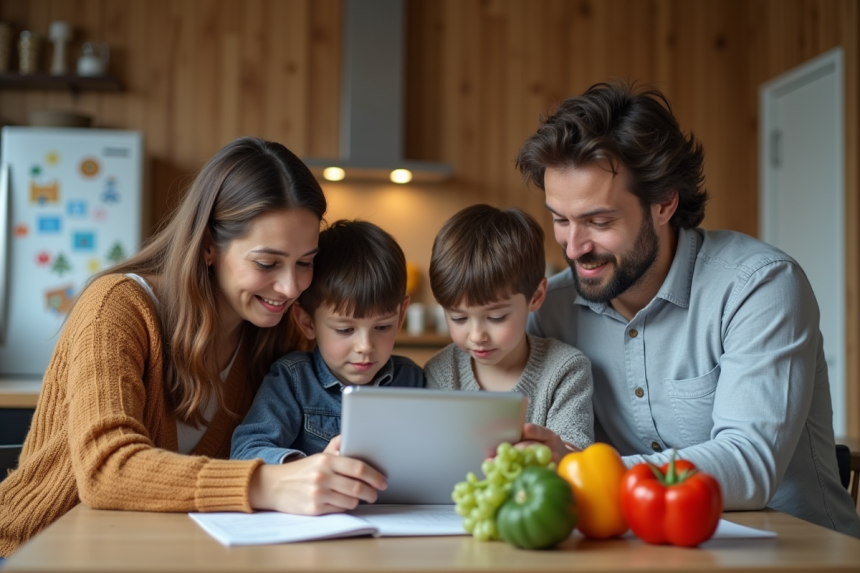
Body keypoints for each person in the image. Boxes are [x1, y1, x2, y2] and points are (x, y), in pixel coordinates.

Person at [0, 138, 389, 558]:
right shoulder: (116, 307)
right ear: (208, 246)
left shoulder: (276, 335)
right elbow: (106, 470)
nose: (291, 287)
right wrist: (268, 483)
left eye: (305, 262)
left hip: (155, 553)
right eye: (266, 263)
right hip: (37, 549)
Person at [515, 80, 860, 537]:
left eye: (599, 221)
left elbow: (749, 463)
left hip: (797, 550)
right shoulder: (550, 307)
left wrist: (582, 471)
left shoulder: (760, 286)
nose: (574, 247)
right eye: (560, 219)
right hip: (647, 551)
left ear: (664, 204)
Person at [230, 220, 424, 464]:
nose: (365, 346)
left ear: (401, 314)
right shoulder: (295, 379)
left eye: (382, 327)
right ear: (308, 323)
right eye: (345, 329)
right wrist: (307, 468)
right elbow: (246, 450)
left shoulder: (413, 380)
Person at [423, 204, 593, 450]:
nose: (477, 336)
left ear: (535, 296)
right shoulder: (440, 371)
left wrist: (552, 453)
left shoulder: (566, 370)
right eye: (459, 318)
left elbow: (576, 456)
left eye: (496, 317)